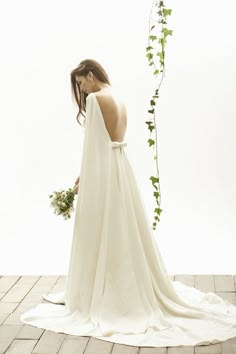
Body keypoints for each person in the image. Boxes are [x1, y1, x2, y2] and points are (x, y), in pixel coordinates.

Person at [20, 59, 236, 347]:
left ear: (90, 74)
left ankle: (104, 292)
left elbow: (94, 145)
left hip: (104, 172)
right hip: (121, 169)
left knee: (99, 230)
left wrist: (84, 177)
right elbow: (114, 140)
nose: (82, 91)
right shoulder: (118, 96)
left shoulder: (97, 100)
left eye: (81, 83)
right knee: (123, 228)